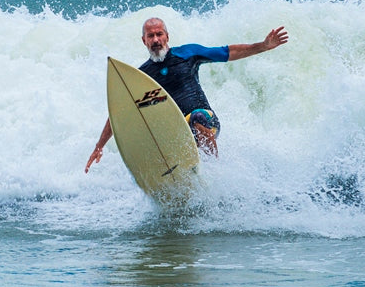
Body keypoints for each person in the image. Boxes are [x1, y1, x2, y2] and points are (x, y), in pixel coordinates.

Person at [85, 17, 288, 173]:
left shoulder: (187, 53)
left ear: (167, 36)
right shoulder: (142, 76)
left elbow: (227, 52)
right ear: (143, 40)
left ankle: (213, 173)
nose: (156, 40)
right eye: (151, 36)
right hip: (176, 135)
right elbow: (119, 112)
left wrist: (263, 46)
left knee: (197, 117)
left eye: (159, 34)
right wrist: (99, 146)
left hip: (206, 121)